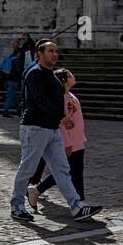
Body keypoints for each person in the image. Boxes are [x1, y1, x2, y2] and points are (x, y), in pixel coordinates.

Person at [9, 41, 103, 223]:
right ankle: (17, 206)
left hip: (52, 129)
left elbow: (57, 97)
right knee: (27, 168)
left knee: (62, 169)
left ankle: (76, 206)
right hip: (35, 128)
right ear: (39, 53)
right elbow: (40, 101)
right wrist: (62, 117)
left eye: (56, 51)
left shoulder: (51, 75)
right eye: (50, 51)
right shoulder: (34, 73)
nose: (55, 54)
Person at [27, 68, 86, 208]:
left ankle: (37, 190)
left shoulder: (71, 95)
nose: (73, 76)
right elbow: (61, 124)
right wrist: (67, 143)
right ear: (64, 81)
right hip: (70, 142)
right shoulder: (60, 99)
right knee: (69, 171)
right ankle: (80, 202)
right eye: (70, 75)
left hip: (78, 140)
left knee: (74, 171)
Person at [0, 40, 21, 117]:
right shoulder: (16, 60)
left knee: (13, 97)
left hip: (6, 80)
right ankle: (5, 112)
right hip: (13, 81)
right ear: (18, 53)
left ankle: (19, 112)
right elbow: (17, 72)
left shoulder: (8, 57)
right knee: (10, 97)